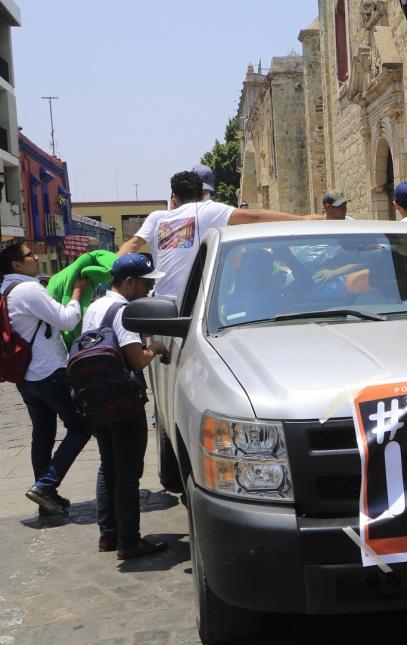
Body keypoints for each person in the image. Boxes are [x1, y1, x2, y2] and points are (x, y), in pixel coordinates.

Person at [118, 171, 321, 305]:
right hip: (194, 308)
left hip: (161, 307)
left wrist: (116, 273)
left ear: (175, 197)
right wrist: (302, 219)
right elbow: (255, 216)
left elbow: (133, 244)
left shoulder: (158, 218)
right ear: (202, 194)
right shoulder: (207, 211)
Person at [83, 254, 171, 559]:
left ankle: (107, 535)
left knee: (108, 467)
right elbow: (136, 360)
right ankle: (129, 541)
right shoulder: (124, 313)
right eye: (146, 283)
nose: (149, 290)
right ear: (130, 282)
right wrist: (156, 348)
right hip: (122, 403)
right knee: (128, 471)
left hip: (94, 400)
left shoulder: (95, 306)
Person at [1, 242, 91, 516]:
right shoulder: (28, 289)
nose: (35, 257)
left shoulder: (5, 288)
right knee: (81, 427)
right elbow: (66, 319)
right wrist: (77, 292)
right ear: (17, 264)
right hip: (48, 371)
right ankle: (45, 486)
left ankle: (46, 500)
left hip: (25, 376)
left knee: (42, 434)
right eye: (29, 255)